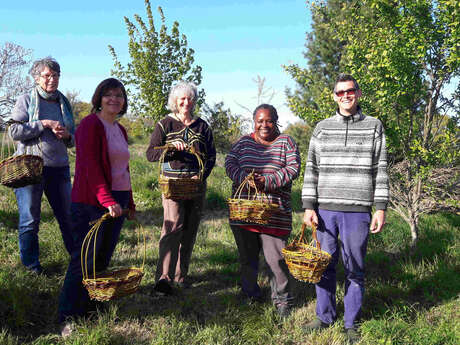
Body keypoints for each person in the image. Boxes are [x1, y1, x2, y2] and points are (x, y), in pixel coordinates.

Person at [301, 74, 389, 343]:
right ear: (334, 97)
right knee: (324, 265)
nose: (345, 96)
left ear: (359, 93)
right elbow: (311, 169)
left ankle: (351, 322)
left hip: (358, 209)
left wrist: (381, 207)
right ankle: (324, 316)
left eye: (350, 91)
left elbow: (381, 168)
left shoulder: (374, 126)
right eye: (340, 93)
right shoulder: (322, 128)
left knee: (355, 267)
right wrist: (308, 206)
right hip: (326, 209)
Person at [58, 78, 135, 336]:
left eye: (119, 95)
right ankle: (68, 315)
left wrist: (129, 202)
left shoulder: (120, 130)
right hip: (92, 202)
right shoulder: (90, 125)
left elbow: (123, 170)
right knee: (83, 260)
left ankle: (92, 308)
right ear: (99, 98)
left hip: (117, 200)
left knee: (102, 259)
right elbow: (90, 168)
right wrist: (107, 200)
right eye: (108, 95)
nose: (114, 99)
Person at [225, 104, 301, 318]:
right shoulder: (244, 142)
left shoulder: (286, 142)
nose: (264, 125)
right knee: (247, 257)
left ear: (276, 121)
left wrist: (266, 181)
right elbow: (230, 163)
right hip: (244, 211)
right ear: (254, 122)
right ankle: (250, 293)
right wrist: (245, 180)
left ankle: (282, 300)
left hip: (274, 213)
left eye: (268, 120)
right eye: (259, 120)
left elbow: (293, 168)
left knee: (275, 259)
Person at [146, 81, 216, 295]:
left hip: (195, 184)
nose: (186, 102)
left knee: (190, 229)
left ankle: (181, 275)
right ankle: (164, 278)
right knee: (173, 227)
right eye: (182, 99)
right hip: (172, 185)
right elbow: (151, 154)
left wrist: (200, 175)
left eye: (190, 98)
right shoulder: (165, 124)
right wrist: (169, 149)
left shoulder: (202, 126)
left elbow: (211, 156)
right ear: (175, 101)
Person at [9, 57, 75, 274]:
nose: (52, 79)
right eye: (47, 75)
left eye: (56, 75)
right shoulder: (26, 100)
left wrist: (66, 135)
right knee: (29, 220)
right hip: (30, 168)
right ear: (36, 78)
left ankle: (78, 262)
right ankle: (32, 268)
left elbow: (73, 140)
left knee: (67, 217)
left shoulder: (63, 103)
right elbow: (15, 132)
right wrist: (43, 124)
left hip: (59, 168)